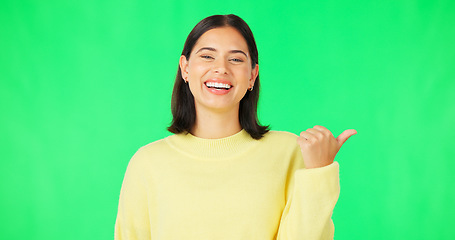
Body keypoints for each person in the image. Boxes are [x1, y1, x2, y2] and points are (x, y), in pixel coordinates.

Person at [114, 14, 357, 240]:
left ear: (252, 75)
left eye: (236, 59)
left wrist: (318, 172)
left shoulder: (290, 151)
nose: (221, 68)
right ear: (185, 68)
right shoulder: (147, 163)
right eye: (207, 56)